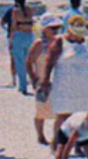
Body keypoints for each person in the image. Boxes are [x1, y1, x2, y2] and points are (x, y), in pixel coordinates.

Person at [40, 14, 88, 150]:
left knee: (83, 115)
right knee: (63, 115)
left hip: (84, 85)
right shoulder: (60, 42)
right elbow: (49, 61)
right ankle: (57, 144)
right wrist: (45, 79)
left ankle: (79, 145)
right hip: (65, 84)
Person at [26, 15, 64, 145]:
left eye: (57, 28)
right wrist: (33, 78)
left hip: (57, 80)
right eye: (52, 28)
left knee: (59, 110)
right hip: (42, 81)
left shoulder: (59, 42)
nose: (55, 30)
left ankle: (56, 136)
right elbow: (28, 62)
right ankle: (40, 135)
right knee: (41, 109)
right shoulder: (39, 44)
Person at [8, 0, 34, 95]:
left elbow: (13, 26)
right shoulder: (30, 10)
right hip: (29, 35)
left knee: (19, 62)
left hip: (19, 36)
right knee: (29, 61)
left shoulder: (15, 11)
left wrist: (10, 39)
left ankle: (23, 85)